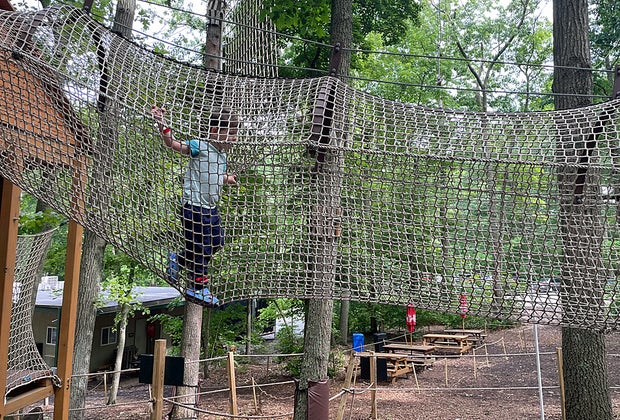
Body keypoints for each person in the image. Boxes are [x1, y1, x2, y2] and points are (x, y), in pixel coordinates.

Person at [152, 104, 238, 306]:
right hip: (194, 206)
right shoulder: (200, 146)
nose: (235, 139)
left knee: (217, 241)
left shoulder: (222, 156)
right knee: (201, 247)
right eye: (232, 133)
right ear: (216, 131)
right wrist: (161, 123)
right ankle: (197, 286)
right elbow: (172, 143)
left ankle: (179, 260)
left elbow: (214, 176)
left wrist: (227, 178)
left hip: (210, 208)